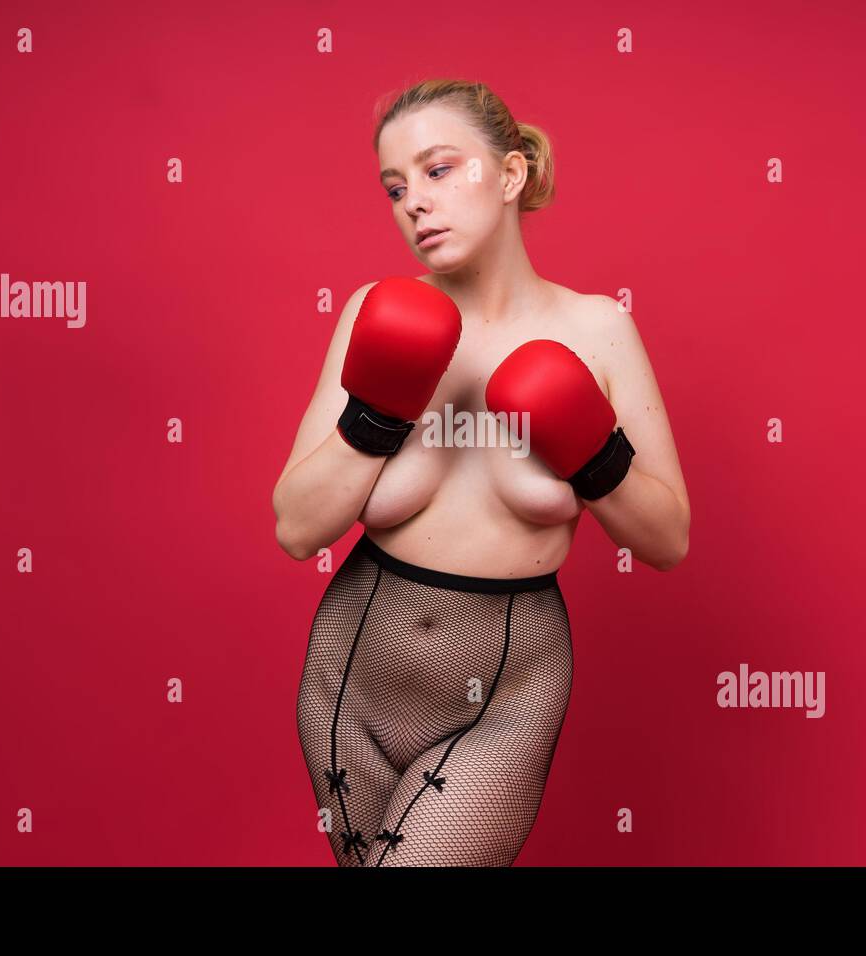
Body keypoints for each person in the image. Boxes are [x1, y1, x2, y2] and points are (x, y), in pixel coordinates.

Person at [272, 79, 690, 866]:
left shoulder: (595, 328)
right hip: (350, 677)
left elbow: (667, 540)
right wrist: (377, 416)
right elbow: (297, 527)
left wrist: (594, 453)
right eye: (394, 188)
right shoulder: (376, 311)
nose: (412, 205)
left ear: (510, 174)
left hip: (505, 691)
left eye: (437, 171)